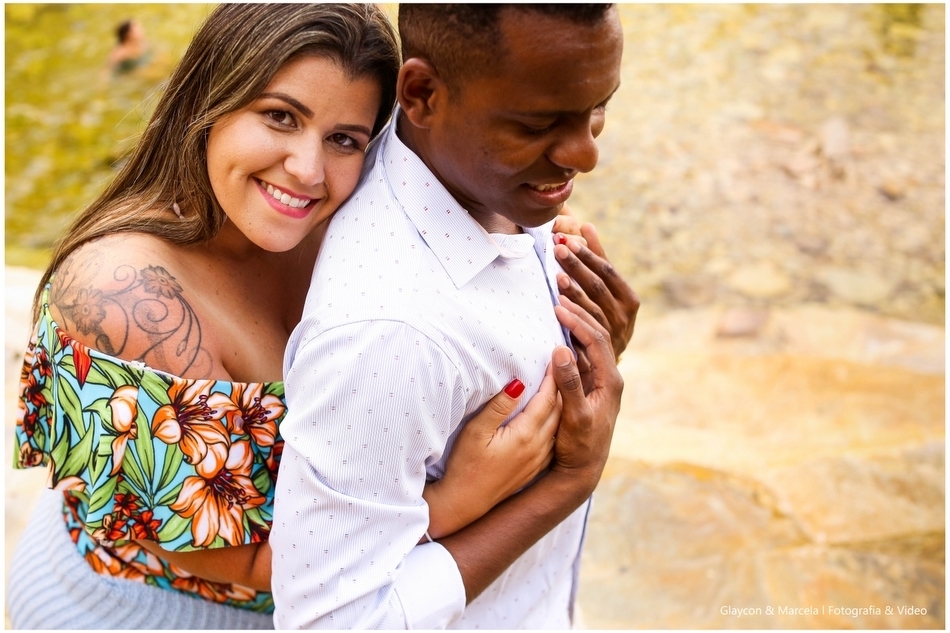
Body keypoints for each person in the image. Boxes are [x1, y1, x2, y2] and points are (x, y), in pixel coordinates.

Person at [9, 3, 636, 630]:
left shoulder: (342, 214)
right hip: (142, 610)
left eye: (344, 138)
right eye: (280, 117)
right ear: (210, 100)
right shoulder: (128, 303)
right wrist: (455, 500)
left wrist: (560, 314)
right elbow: (255, 562)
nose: (307, 170)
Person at [271, 3, 635, 629]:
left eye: (598, 108)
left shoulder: (478, 174)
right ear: (421, 94)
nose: (585, 153)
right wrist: (565, 485)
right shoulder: (386, 334)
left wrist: (590, 345)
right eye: (540, 122)